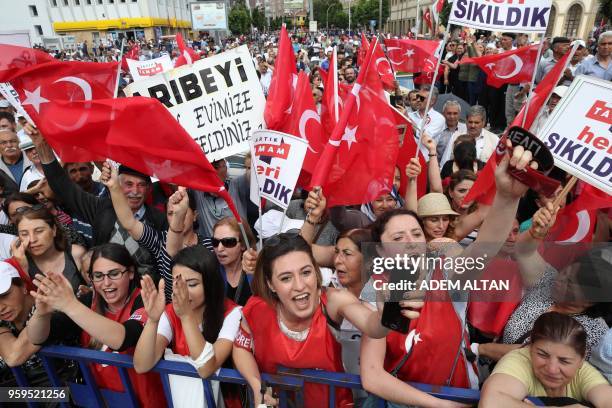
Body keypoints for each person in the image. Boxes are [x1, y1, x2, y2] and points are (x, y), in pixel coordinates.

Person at [359, 141, 537, 405]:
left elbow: (482, 251)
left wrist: (508, 198)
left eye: (416, 233)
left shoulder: (446, 273)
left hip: (458, 388)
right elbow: (372, 376)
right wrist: (439, 405)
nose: (411, 241)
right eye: (398, 236)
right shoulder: (375, 289)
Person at [232, 229, 391, 407]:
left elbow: (373, 326)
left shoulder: (333, 300)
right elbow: (241, 349)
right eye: (286, 278)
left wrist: (385, 313)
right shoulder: (257, 308)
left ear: (316, 272)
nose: (299, 285)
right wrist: (257, 386)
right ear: (271, 284)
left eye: (306, 273)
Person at [26, 243, 166, 408]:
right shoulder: (87, 302)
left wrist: (70, 305)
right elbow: (37, 337)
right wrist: (42, 313)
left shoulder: (144, 299)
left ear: (130, 273)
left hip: (146, 401)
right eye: (98, 276)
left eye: (114, 274)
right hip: (103, 401)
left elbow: (123, 338)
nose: (106, 283)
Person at [477, 204, 610, 362]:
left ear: (590, 300)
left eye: (569, 283)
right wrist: (535, 233)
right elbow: (523, 251)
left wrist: (480, 349)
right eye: (565, 271)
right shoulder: (547, 282)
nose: (560, 279)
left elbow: (531, 354)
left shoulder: (594, 329)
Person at [28, 125, 168, 273]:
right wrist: (42, 147)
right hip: (107, 289)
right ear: (118, 185)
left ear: (149, 189)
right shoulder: (101, 209)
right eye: (128, 184)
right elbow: (63, 186)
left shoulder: (160, 219)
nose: (135, 191)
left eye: (141, 185)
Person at [133, 246, 242, 406]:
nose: (183, 292)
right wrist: (153, 320)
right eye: (178, 284)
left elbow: (206, 368)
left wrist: (185, 315)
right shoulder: (171, 312)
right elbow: (142, 365)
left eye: (192, 284)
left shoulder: (233, 313)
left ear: (210, 283)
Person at [480, 312, 612, 407]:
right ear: (531, 347)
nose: (552, 369)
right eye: (542, 355)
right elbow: (491, 402)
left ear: (581, 360)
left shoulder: (583, 372)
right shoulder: (519, 359)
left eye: (564, 361)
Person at [12, 206, 85, 292]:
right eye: (24, 234)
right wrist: (22, 268)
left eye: (39, 231)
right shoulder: (14, 264)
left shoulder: (76, 254)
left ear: (54, 230)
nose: (32, 239)